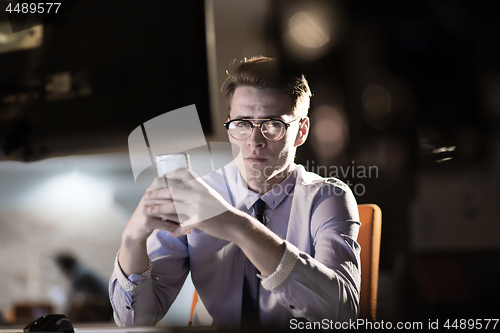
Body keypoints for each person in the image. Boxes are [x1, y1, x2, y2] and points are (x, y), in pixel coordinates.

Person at [109, 56, 361, 329]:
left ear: (301, 131)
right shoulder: (196, 197)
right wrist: (132, 239)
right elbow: (134, 320)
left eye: (273, 124)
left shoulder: (327, 197)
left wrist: (237, 225)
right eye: (242, 123)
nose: (255, 140)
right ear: (230, 127)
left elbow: (342, 314)